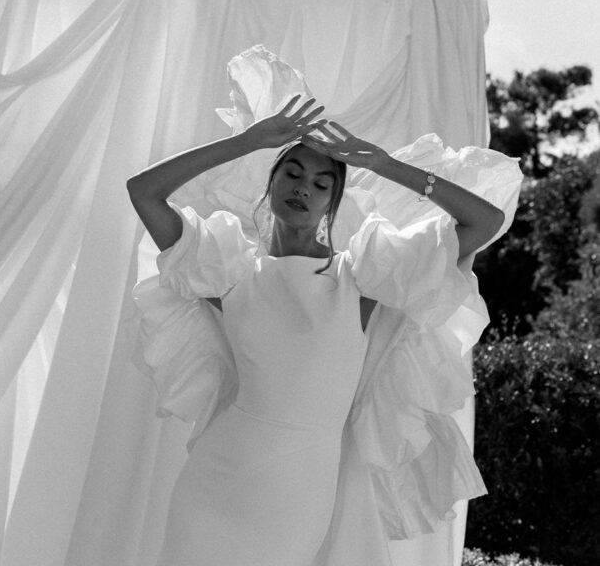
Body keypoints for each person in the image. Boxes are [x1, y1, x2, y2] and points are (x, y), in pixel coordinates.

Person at [127, 94, 512, 566]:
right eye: (292, 174)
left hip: (303, 492)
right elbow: (143, 191)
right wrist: (246, 142)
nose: (303, 189)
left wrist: (384, 164)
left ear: (333, 201)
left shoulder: (361, 278)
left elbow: (485, 221)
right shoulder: (231, 272)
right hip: (217, 479)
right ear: (271, 184)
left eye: (320, 184)